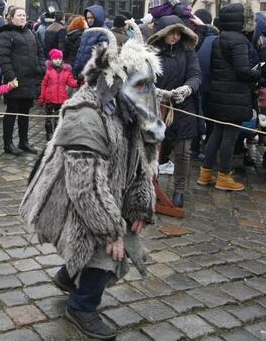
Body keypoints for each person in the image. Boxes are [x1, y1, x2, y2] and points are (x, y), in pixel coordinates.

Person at [21, 28, 163, 340]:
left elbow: (140, 160)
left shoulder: (130, 109)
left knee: (118, 229)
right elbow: (84, 186)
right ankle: (82, 305)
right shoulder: (86, 112)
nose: (146, 93)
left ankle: (68, 276)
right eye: (139, 84)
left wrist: (140, 201)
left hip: (106, 190)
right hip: (70, 195)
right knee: (108, 249)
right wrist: (110, 231)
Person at [197, 3, 258, 191]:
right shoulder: (239, 40)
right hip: (234, 95)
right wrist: (257, 73)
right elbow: (242, 71)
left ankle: (206, 173)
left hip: (219, 93)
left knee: (216, 132)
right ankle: (224, 176)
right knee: (230, 135)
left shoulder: (219, 37)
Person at [147, 22, 201, 208]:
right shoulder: (151, 52)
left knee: (184, 152)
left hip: (183, 108)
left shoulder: (188, 52)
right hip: (156, 107)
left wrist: (187, 89)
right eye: (172, 33)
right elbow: (141, 76)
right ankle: (150, 187)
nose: (175, 37)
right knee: (155, 151)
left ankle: (179, 190)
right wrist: (155, 91)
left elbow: (195, 75)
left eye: (179, 33)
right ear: (163, 33)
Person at [0, 6, 45, 155]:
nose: (23, 17)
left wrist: (42, 68)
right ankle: (8, 144)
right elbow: (3, 58)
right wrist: (11, 76)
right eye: (19, 15)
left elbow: (40, 52)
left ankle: (23, 141)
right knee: (12, 112)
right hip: (16, 81)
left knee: (25, 112)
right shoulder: (6, 34)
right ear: (11, 18)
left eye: (24, 15)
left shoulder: (31, 32)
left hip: (30, 80)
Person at [38, 48, 78, 141]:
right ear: (52, 59)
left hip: (61, 98)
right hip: (49, 98)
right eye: (56, 59)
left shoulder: (66, 71)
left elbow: (71, 82)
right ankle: (49, 133)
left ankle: (56, 133)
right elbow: (43, 85)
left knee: (58, 117)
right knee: (48, 117)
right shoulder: (48, 71)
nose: (58, 61)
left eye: (59, 59)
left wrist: (79, 82)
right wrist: (41, 97)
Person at [73, 5, 107, 78]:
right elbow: (80, 52)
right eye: (88, 18)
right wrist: (76, 69)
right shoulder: (86, 31)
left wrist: (90, 73)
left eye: (92, 17)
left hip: (92, 75)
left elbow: (100, 57)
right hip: (81, 72)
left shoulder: (104, 32)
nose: (89, 20)